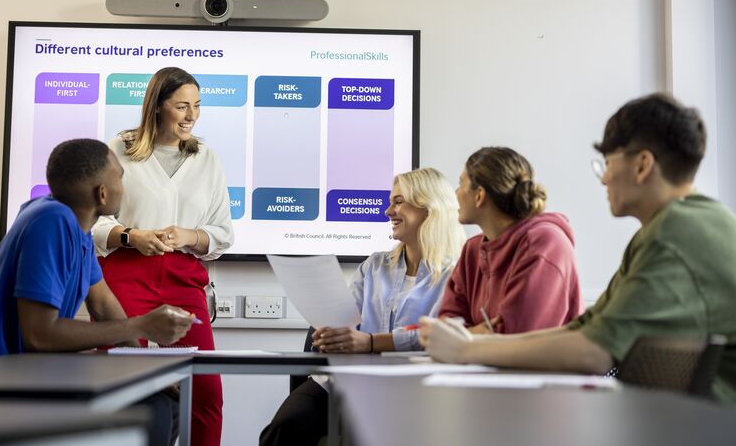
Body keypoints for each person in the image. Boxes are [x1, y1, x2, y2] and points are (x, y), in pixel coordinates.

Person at [420, 93, 736, 404]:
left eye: (607, 164)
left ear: (642, 165)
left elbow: (595, 352)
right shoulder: (670, 227)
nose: (604, 179)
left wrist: (466, 350)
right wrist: (469, 343)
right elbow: (585, 328)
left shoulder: (676, 232)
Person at [0, 139, 195, 445]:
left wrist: (143, 371)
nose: (124, 186)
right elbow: (40, 335)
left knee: (163, 402)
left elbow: (103, 302)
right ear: (102, 193)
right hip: (4, 382)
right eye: (121, 178)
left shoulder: (74, 228)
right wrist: (143, 325)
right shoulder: (53, 222)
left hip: (26, 373)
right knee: (156, 412)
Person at [260, 167, 467, 446]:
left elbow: (441, 337)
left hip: (414, 389)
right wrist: (330, 334)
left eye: (398, 202)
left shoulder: (456, 273)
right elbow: (346, 320)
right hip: (347, 381)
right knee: (284, 428)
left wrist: (370, 343)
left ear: (428, 209)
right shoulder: (375, 265)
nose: (388, 211)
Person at [92, 67, 234, 446]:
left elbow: (223, 234)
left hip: (184, 278)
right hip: (126, 275)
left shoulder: (207, 158)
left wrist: (191, 235)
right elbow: (93, 221)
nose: (191, 116)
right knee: (121, 387)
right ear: (157, 106)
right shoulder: (120, 148)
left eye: (197, 106)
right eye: (181, 106)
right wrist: (131, 236)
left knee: (206, 392)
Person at [438, 146, 582, 335]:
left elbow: (517, 337)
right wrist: (479, 334)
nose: (455, 193)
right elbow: (445, 329)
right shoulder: (472, 250)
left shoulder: (545, 243)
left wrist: (468, 335)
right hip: (475, 363)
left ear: (479, 195)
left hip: (534, 365)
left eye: (461, 184)